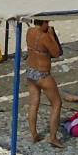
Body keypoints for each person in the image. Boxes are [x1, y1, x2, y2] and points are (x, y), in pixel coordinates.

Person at [25, 19, 65, 147]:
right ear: (43, 23)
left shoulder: (29, 31)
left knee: (33, 103)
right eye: (47, 23)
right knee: (57, 103)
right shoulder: (45, 36)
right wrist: (52, 35)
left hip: (31, 71)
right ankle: (53, 137)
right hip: (43, 74)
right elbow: (57, 53)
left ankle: (34, 134)